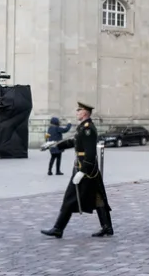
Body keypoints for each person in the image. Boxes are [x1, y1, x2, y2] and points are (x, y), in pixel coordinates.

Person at [40, 102, 113, 238]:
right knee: (98, 197)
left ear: (85, 112)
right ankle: (107, 227)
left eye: (79, 110)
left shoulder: (88, 129)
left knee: (69, 197)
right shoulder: (82, 128)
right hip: (88, 168)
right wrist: (54, 144)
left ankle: (58, 228)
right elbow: (73, 142)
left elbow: (90, 153)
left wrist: (82, 171)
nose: (77, 112)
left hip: (85, 169)